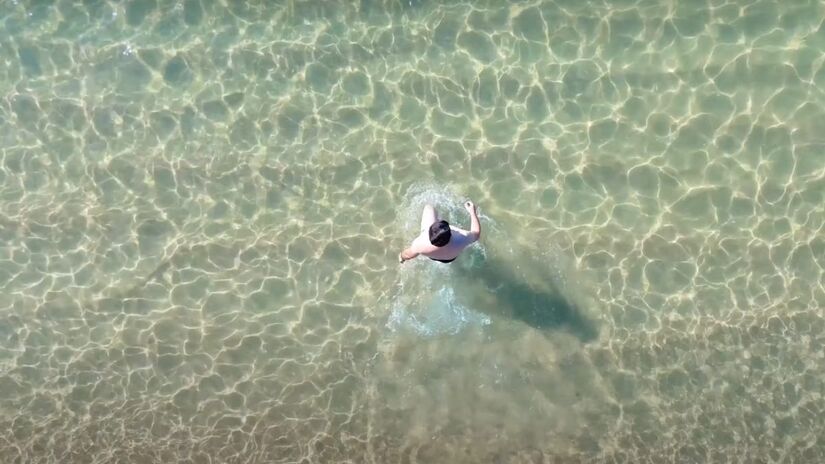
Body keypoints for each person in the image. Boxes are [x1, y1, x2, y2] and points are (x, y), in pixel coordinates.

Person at [399, 201, 481, 264]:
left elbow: (408, 255)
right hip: (450, 258)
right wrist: (472, 212)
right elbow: (476, 234)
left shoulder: (420, 243)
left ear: (429, 232)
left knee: (429, 207)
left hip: (433, 256)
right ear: (451, 234)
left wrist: (401, 258)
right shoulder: (461, 239)